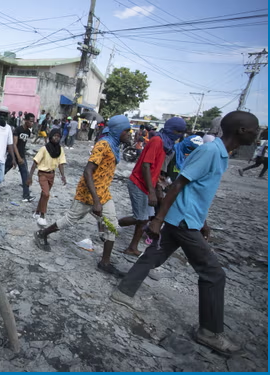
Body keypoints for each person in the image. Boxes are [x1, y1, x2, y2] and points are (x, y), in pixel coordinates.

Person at [111, 111, 259, 355]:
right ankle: (209, 332)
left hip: (189, 218)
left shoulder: (220, 153)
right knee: (213, 274)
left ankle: (123, 291)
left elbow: (198, 190)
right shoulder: (210, 151)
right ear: (241, 130)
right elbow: (178, 184)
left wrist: (203, 221)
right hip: (182, 221)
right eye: (255, 129)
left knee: (154, 255)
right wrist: (157, 219)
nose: (259, 133)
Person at [34, 115, 132, 277]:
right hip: (89, 193)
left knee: (112, 225)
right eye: (126, 131)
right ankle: (42, 233)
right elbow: (88, 171)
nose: (129, 134)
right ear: (117, 130)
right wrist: (96, 201)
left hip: (103, 193)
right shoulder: (103, 145)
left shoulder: (114, 146)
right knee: (70, 219)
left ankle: (105, 262)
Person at [118, 117, 186, 256]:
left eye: (181, 132)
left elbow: (154, 167)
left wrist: (159, 184)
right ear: (170, 129)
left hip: (147, 184)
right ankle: (111, 224)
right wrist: (151, 191)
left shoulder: (166, 145)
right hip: (138, 183)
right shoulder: (157, 141)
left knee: (145, 218)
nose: (179, 135)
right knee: (141, 218)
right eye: (177, 131)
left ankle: (132, 247)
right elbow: (145, 165)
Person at [27, 128, 67, 226]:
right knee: (46, 194)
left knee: (43, 195)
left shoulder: (59, 149)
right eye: (55, 136)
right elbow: (35, 162)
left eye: (58, 136)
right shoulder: (44, 149)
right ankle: (42, 216)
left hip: (51, 175)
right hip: (43, 174)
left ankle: (36, 212)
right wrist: (30, 177)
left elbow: (61, 163)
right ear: (51, 136)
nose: (57, 138)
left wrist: (63, 176)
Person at [13, 112, 35, 203]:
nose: (32, 123)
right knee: (2, 173)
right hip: (14, 156)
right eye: (30, 121)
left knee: (25, 175)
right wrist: (18, 158)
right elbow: (14, 145)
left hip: (22, 156)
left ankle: (26, 195)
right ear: (25, 120)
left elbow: (23, 145)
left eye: (33, 121)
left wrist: (22, 156)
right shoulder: (18, 130)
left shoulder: (28, 132)